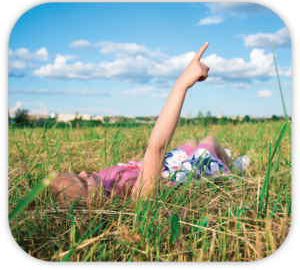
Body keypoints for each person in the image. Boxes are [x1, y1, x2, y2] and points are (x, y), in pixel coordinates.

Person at [49, 42, 250, 205]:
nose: (84, 172)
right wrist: (182, 84)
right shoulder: (138, 196)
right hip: (173, 177)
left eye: (78, 174)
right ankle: (233, 168)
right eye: (83, 182)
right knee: (209, 140)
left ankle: (218, 159)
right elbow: (157, 146)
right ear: (94, 204)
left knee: (190, 142)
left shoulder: (104, 184)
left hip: (162, 169)